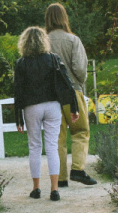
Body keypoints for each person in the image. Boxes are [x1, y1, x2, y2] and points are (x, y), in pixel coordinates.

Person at [14, 26, 80, 202]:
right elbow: (67, 83)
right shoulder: (53, 59)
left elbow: (18, 92)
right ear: (44, 41)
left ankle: (36, 188)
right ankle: (54, 189)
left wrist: (17, 117)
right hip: (52, 105)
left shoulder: (21, 63)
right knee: (52, 146)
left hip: (31, 107)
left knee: (34, 147)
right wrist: (74, 108)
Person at [45, 3, 98, 187]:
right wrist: (78, 83)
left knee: (57, 137)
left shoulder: (43, 41)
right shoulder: (73, 40)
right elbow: (80, 69)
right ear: (64, 17)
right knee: (80, 131)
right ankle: (77, 169)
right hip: (72, 91)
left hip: (51, 96)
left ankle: (60, 178)